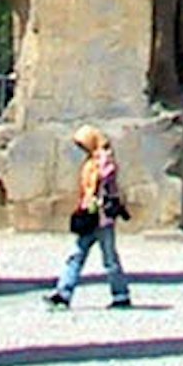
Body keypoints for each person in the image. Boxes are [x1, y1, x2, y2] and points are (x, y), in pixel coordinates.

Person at [47, 126, 133, 310]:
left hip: (102, 217)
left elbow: (106, 177)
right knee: (76, 254)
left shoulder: (104, 160)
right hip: (89, 214)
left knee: (109, 258)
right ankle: (63, 293)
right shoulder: (91, 161)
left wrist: (102, 158)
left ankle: (121, 294)